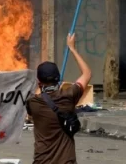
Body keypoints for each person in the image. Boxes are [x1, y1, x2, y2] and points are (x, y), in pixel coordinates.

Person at [26, 33, 91, 164]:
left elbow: (35, 96)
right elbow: (87, 73)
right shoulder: (69, 95)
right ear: (58, 79)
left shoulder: (33, 103)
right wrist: (72, 48)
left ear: (39, 81)